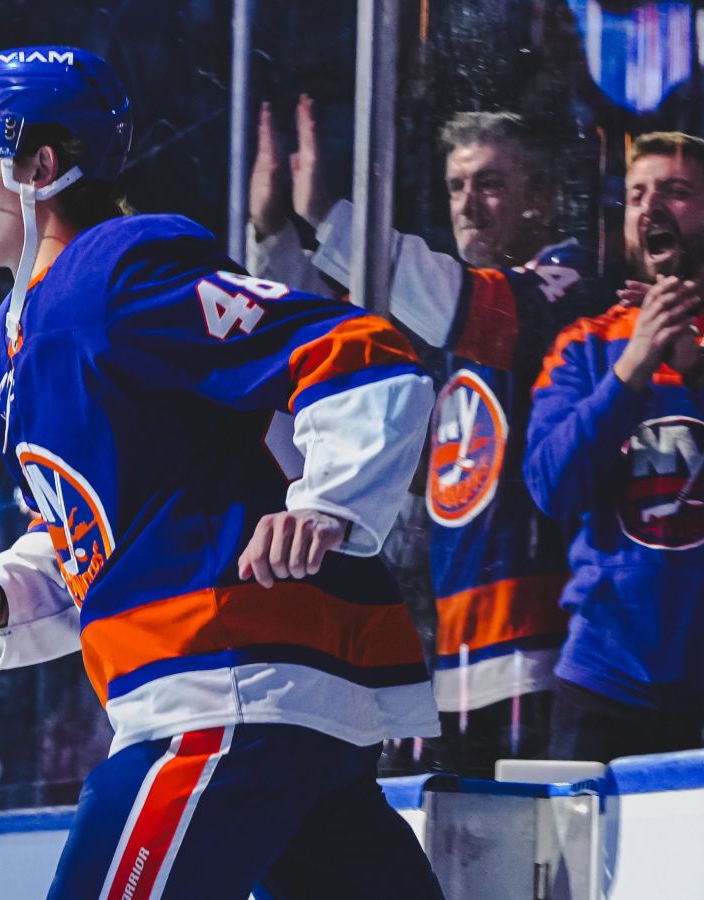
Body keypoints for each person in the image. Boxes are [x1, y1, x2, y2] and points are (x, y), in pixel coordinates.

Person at [0, 47, 444, 898]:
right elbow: (92, 527)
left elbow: (358, 352)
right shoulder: (3, 349)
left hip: (226, 690)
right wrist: (3, 595)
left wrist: (328, 504)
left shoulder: (115, 272)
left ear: (40, 165)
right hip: (260, 710)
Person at [250, 104, 598, 776]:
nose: (468, 205)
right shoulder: (448, 329)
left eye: (490, 183)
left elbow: (461, 304)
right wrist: (276, 237)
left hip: (540, 649)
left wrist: (328, 218)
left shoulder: (568, 280)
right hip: (454, 655)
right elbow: (330, 367)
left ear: (544, 199)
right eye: (456, 186)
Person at [523, 131, 704, 763]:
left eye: (676, 191)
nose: (650, 208)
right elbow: (551, 487)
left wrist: (698, 372)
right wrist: (631, 370)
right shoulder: (585, 344)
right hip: (604, 675)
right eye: (637, 195)